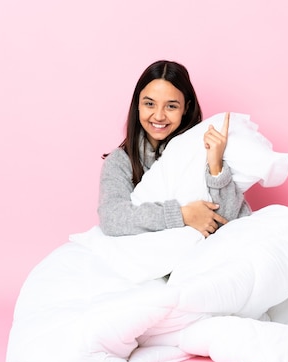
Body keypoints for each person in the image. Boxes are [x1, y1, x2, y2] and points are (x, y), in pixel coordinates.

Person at [98, 60, 251, 238]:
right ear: (137, 104)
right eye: (149, 104)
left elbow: (229, 219)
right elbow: (112, 219)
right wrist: (182, 215)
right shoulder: (119, 162)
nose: (159, 116)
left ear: (186, 107)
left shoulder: (202, 148)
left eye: (171, 106)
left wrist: (216, 166)